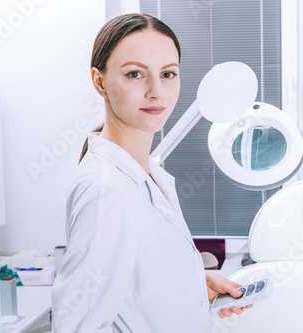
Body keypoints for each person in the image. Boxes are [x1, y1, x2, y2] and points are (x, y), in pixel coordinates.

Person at [51, 13, 252, 332]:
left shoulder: (148, 175)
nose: (157, 91)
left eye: (168, 74)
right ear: (99, 81)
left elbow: (134, 281)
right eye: (135, 74)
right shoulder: (108, 192)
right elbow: (76, 326)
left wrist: (193, 285)